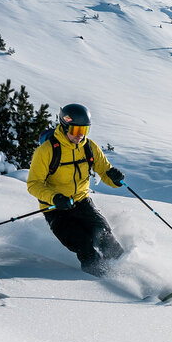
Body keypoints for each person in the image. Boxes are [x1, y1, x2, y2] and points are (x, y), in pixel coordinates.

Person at [26, 103, 127, 276]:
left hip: (82, 202)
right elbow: (34, 184)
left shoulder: (89, 147)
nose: (80, 135)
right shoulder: (46, 151)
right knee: (84, 245)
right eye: (76, 130)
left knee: (105, 237)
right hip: (56, 209)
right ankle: (104, 281)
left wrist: (115, 178)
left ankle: (130, 274)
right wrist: (55, 198)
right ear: (65, 126)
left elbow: (104, 171)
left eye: (84, 130)